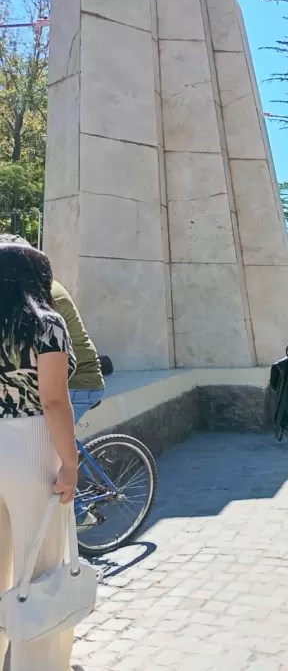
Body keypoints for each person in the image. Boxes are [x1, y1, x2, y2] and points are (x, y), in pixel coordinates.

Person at [0, 242, 80, 670]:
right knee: (40, 573)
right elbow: (53, 401)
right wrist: (70, 463)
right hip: (32, 444)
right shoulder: (45, 324)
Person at [0, 235, 105, 424]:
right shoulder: (19, 291)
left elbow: (53, 400)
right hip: (44, 378)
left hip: (77, 382)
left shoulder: (40, 298)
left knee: (41, 440)